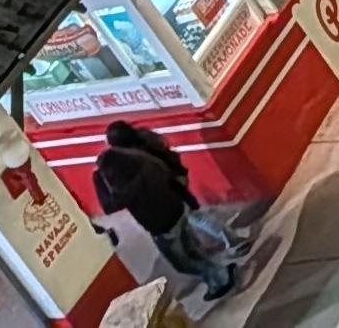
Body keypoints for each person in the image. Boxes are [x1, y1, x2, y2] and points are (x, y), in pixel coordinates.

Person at [93, 121, 239, 300]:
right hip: (175, 205)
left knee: (181, 261)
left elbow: (111, 205)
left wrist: (100, 182)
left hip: (162, 221)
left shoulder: (126, 172)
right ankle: (216, 277)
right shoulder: (143, 154)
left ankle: (221, 272)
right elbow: (165, 170)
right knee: (191, 247)